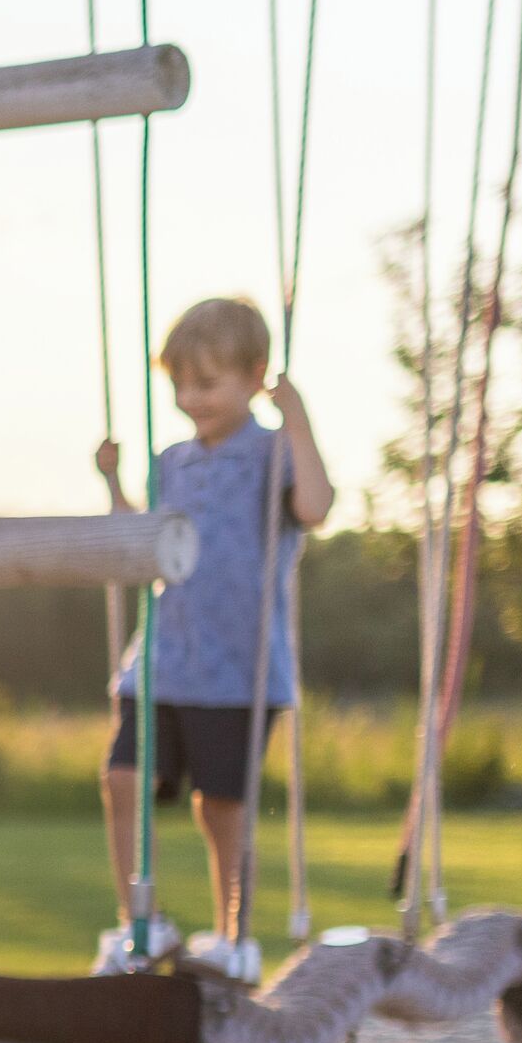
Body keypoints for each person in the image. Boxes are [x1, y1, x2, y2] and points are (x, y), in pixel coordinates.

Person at [91, 296, 338, 982]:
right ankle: (140, 924)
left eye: (207, 383)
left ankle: (234, 937)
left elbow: (315, 506)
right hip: (163, 658)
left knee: (221, 806)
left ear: (255, 376)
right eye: (180, 385)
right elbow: (139, 545)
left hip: (238, 667)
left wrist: (298, 420)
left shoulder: (273, 453)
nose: (190, 399)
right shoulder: (170, 461)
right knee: (122, 780)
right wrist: (112, 481)